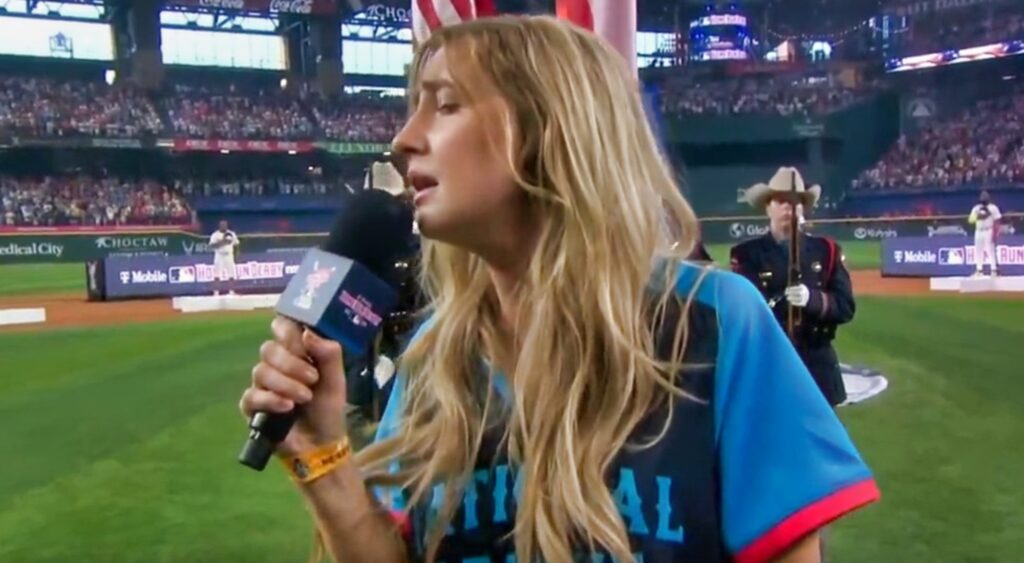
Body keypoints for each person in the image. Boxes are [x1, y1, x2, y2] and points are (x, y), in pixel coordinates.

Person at [239, 16, 879, 563]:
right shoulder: (434, 355)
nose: (405, 139)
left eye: (447, 104)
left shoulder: (715, 324)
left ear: (548, 129)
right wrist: (322, 457)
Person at [729, 167, 855, 408]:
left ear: (803, 208)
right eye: (781, 201)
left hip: (818, 368)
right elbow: (742, 314)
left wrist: (813, 300)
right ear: (768, 206)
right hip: (770, 364)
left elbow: (845, 306)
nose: (789, 207)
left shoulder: (826, 251)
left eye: (796, 202)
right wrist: (779, 302)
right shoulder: (747, 255)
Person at [968, 190, 1001, 277]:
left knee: (990, 250)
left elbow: (997, 220)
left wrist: (996, 232)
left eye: (985, 197)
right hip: (978, 231)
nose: (983, 198)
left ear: (988, 198)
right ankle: (979, 270)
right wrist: (979, 216)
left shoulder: (993, 208)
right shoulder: (976, 208)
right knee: (978, 250)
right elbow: (970, 220)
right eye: (982, 197)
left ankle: (994, 270)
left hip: (988, 230)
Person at [209, 219, 239, 295]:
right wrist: (223, 242)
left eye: (225, 225)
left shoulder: (231, 234)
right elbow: (212, 246)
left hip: (229, 255)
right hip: (219, 256)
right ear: (219, 226)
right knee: (217, 274)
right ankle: (216, 292)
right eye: (222, 225)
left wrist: (236, 254)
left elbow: (236, 244)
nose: (224, 226)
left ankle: (232, 291)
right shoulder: (215, 235)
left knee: (231, 274)